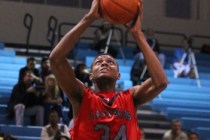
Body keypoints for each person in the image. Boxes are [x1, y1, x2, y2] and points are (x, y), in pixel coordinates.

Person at [49, 0, 168, 139]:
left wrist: (137, 34)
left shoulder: (131, 98)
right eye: (98, 62)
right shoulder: (82, 96)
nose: (104, 63)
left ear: (118, 75)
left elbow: (161, 82)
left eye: (110, 62)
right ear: (91, 75)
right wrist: (89, 18)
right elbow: (55, 60)